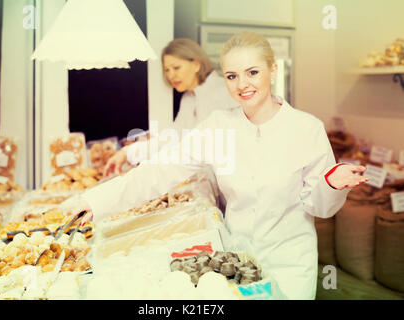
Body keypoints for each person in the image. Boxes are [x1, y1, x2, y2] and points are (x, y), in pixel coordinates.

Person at [67, 31, 368, 299]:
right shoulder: (218, 127)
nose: (242, 84)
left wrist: (330, 183)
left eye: (252, 72)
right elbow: (162, 169)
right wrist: (96, 200)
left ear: (272, 71)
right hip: (236, 263)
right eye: (232, 76)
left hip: (290, 263)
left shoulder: (306, 128)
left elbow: (320, 207)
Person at [103, 38, 238, 176]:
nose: (171, 75)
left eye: (176, 68)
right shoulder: (188, 98)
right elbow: (173, 138)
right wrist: (127, 153)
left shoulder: (223, 91)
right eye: (167, 70)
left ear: (196, 65)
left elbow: (205, 147)